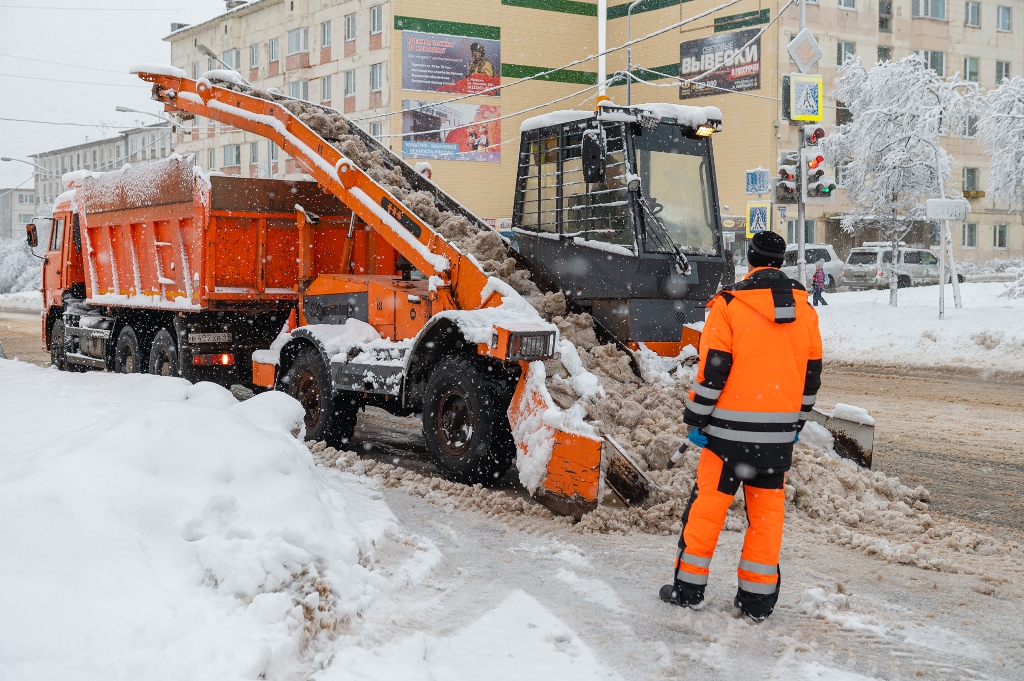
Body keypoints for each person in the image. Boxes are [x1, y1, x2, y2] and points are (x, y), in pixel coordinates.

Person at [660, 230, 822, 622]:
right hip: (776, 441)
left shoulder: (730, 306)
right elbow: (811, 377)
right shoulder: (806, 310)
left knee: (707, 510)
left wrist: (697, 418)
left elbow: (714, 370)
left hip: (726, 438)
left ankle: (688, 590)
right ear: (781, 263)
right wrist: (795, 423)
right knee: (767, 519)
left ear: (749, 259)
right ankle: (757, 602)